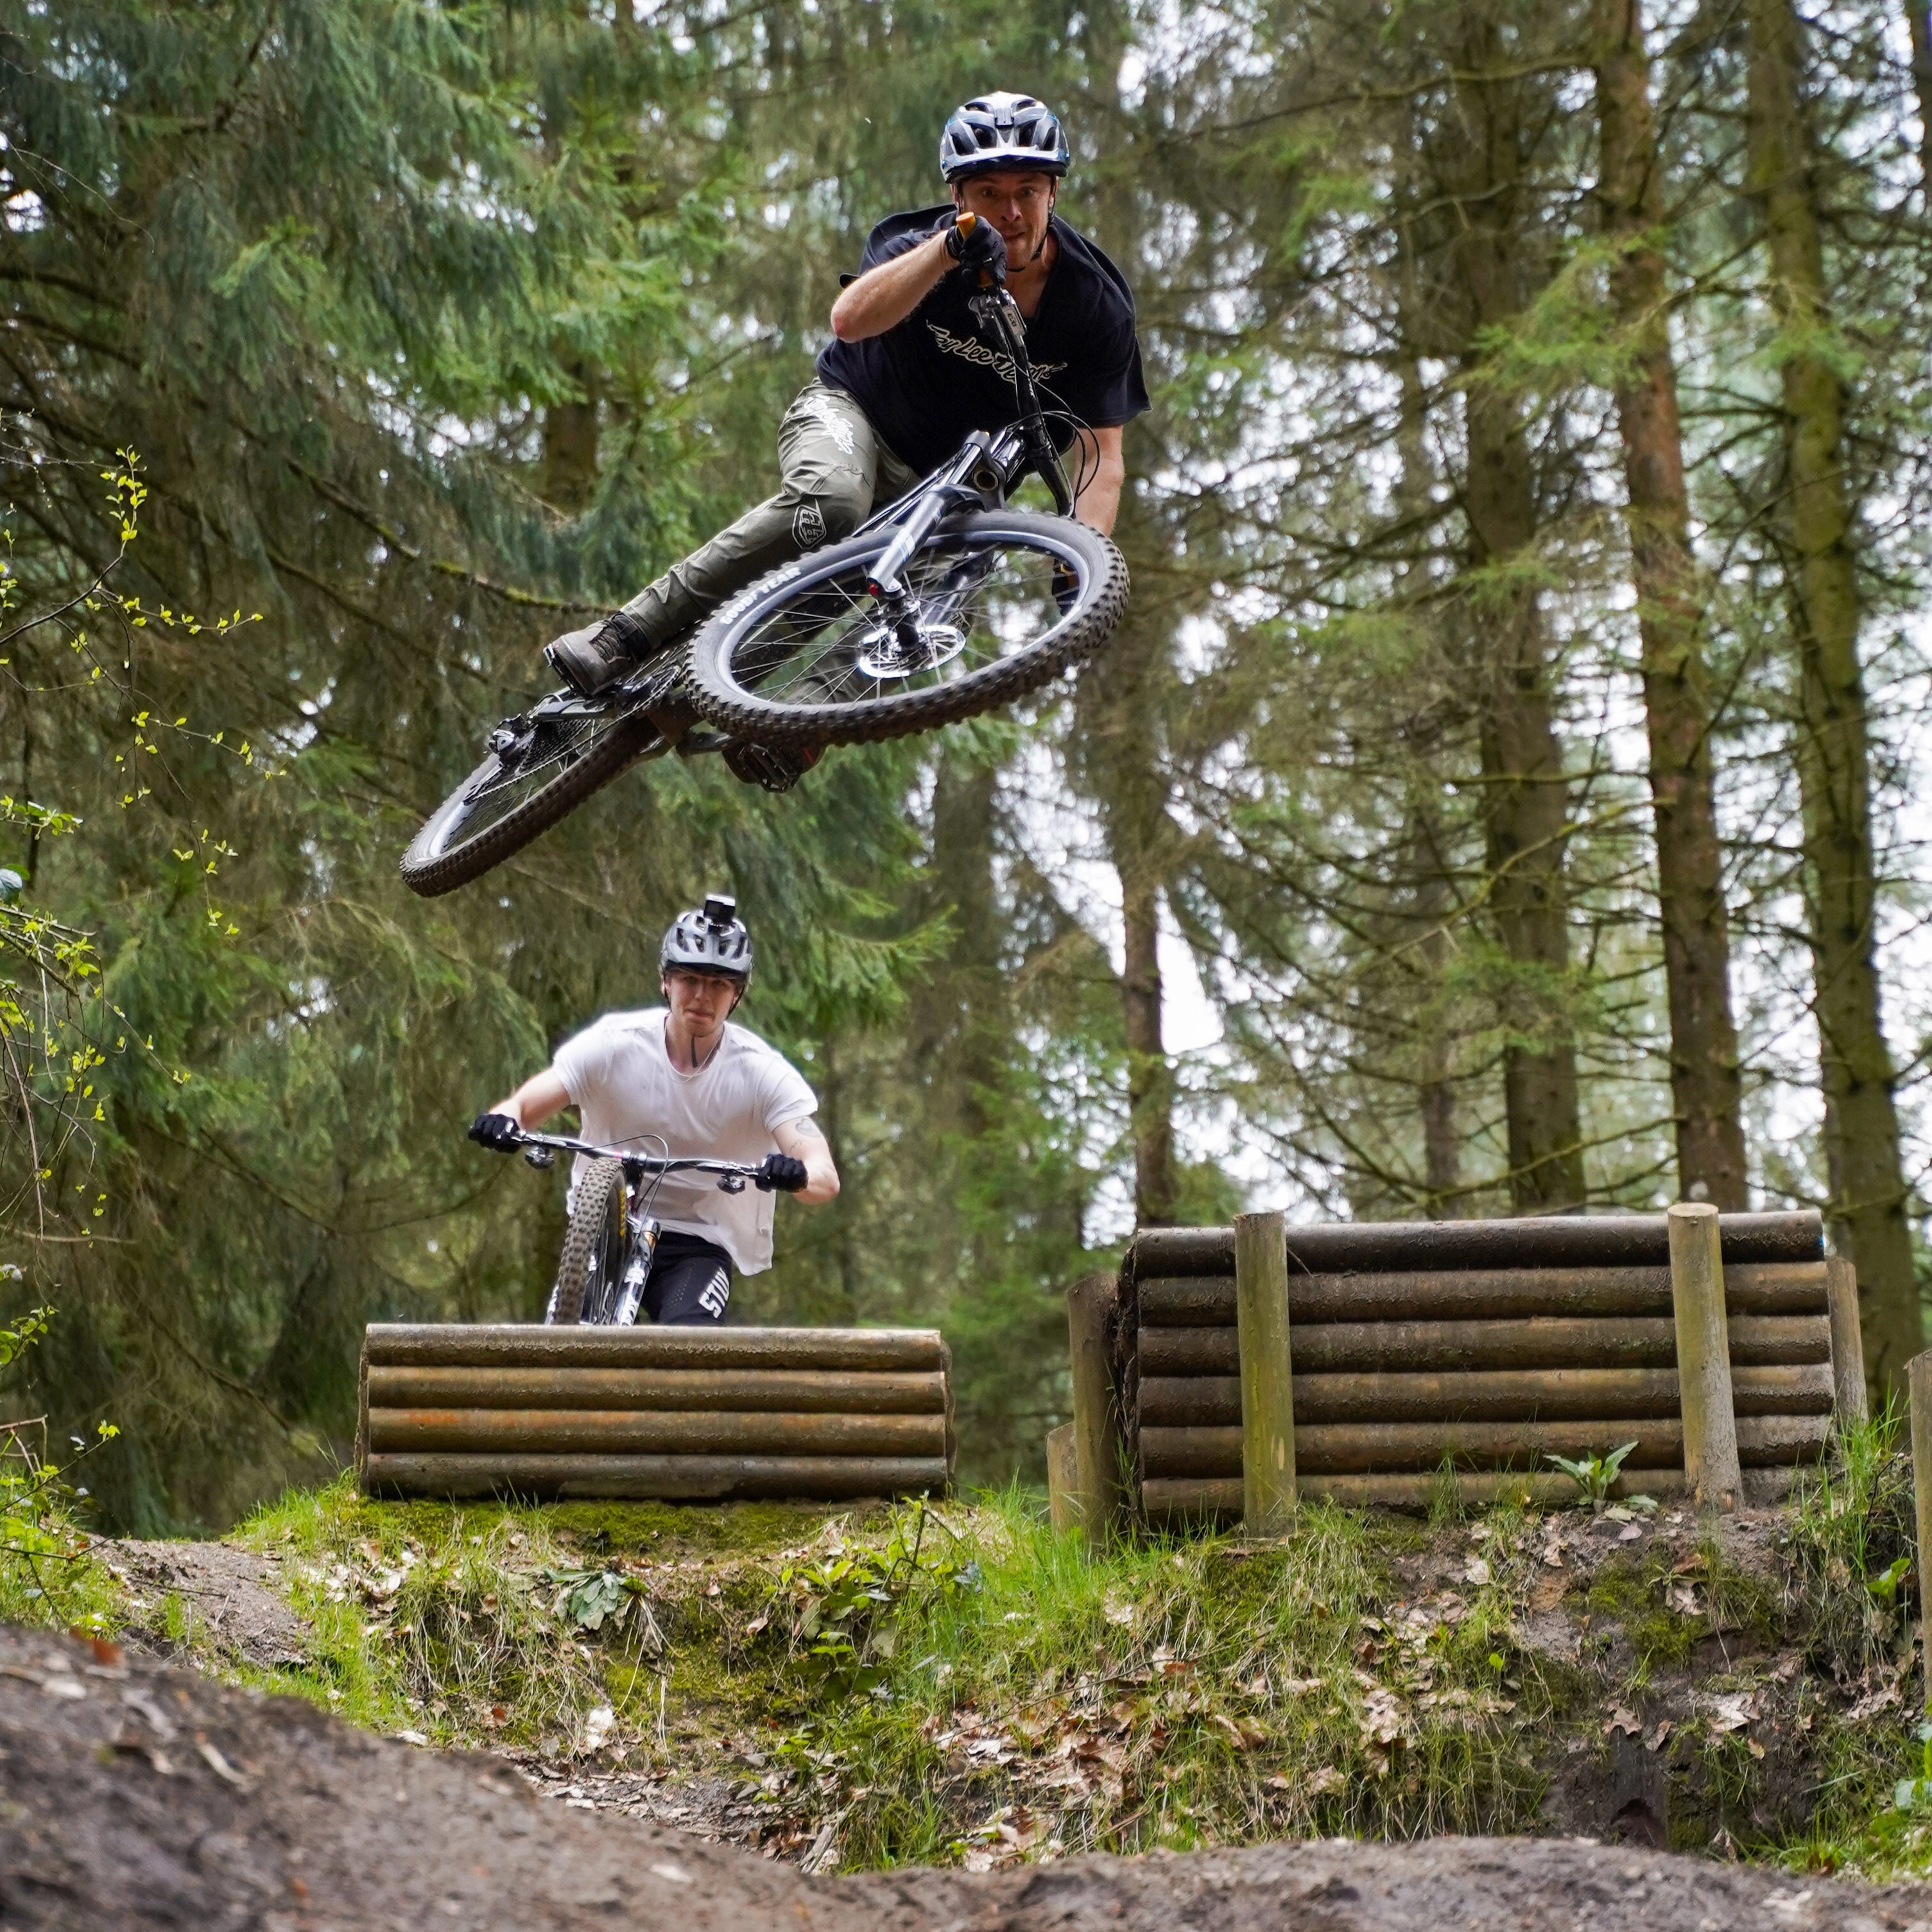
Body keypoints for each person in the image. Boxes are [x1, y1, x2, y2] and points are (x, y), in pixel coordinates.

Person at [541, 90, 1149, 703]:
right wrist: (945, 254)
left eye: (1027, 191)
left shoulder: (1095, 306)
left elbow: (1103, 457)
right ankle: (624, 635)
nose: (1010, 211)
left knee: (946, 602)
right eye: (989, 193)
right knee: (832, 505)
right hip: (851, 415)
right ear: (958, 197)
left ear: (1054, 193)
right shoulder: (920, 245)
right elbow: (849, 320)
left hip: (955, 488)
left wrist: (1083, 557)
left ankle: (799, 716)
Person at [468, 895, 838, 1324]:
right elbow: (526, 1105)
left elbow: (823, 1176)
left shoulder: (761, 1072)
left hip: (698, 1240)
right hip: (605, 1226)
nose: (702, 995)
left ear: (737, 994)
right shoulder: (614, 1044)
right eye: (690, 979)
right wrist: (505, 1120)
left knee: (691, 1348)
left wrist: (796, 1174)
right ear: (666, 981)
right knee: (568, 1341)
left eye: (719, 984)